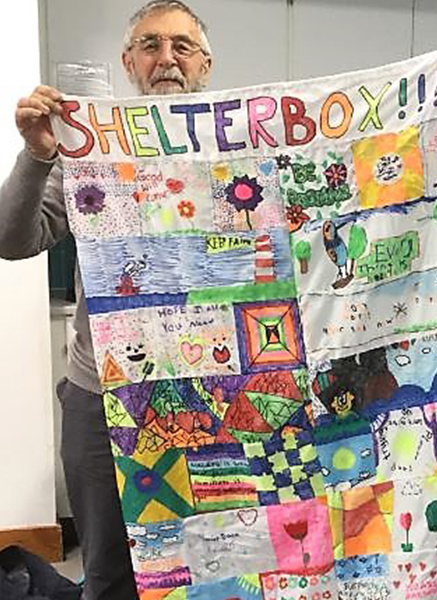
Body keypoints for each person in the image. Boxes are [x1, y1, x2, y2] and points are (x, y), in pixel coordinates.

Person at [0, 2, 212, 598]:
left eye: (181, 46)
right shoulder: (90, 151)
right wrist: (38, 154)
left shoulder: (237, 147)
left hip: (212, 391)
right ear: (128, 62)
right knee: (111, 571)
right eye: (150, 45)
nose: (166, 58)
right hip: (103, 396)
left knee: (213, 559)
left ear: (205, 63)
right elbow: (12, 240)